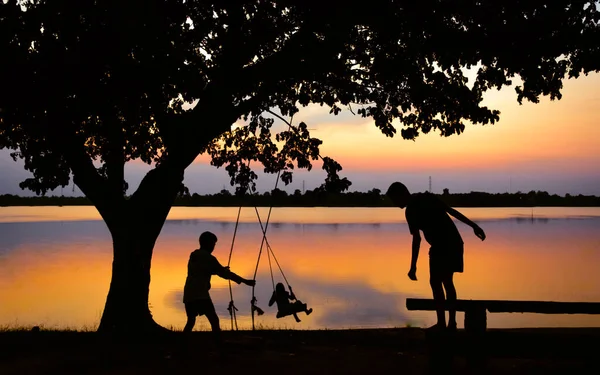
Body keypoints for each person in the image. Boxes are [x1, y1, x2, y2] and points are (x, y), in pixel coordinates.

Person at [386, 182, 486, 331]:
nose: (395, 204)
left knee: (438, 282)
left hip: (447, 244)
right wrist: (474, 226)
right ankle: (449, 323)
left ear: (401, 195)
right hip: (450, 244)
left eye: (395, 200)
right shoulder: (425, 199)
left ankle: (444, 323)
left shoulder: (415, 207)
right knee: (445, 282)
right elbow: (451, 211)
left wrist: (413, 266)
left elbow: (417, 239)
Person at [183, 231, 255, 342]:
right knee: (214, 320)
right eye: (213, 244)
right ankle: (218, 343)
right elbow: (224, 274)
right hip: (200, 295)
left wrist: (219, 270)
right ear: (207, 243)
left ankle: (183, 344)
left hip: (188, 294)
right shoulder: (209, 258)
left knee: (191, 321)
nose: (213, 247)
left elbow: (204, 270)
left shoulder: (194, 256)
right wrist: (245, 281)